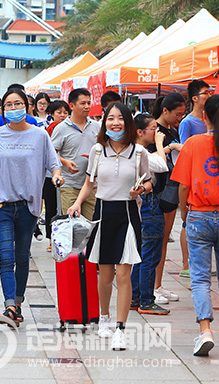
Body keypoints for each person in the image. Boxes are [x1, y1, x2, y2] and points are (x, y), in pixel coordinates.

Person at [67, 102, 152, 351]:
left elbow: (148, 183)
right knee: (105, 275)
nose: (115, 123)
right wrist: (78, 203)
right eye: (110, 118)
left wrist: (140, 190)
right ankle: (103, 317)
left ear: (128, 122)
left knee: (124, 274)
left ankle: (120, 328)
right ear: (104, 123)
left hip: (127, 214)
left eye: (120, 118)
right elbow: (89, 184)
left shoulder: (139, 153)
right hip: (103, 213)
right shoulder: (97, 150)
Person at [171, 94, 219, 356]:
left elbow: (183, 185)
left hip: (199, 215)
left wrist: (185, 214)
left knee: (201, 277)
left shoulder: (193, 143)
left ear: (204, 116)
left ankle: (205, 330)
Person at [0, 88, 63, 327]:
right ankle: (8, 306)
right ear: (3, 109)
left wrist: (58, 176)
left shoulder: (40, 136)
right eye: (9, 105)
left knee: (22, 257)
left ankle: (17, 304)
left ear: (27, 107)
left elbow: (53, 165)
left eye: (18, 104)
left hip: (28, 207)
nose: (14, 108)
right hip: (2, 206)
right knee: (6, 258)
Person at [130, 113, 170, 315]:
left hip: (143, 204)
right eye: (153, 128)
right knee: (150, 255)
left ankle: (136, 297)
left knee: (142, 254)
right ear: (139, 132)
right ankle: (146, 300)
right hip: (149, 204)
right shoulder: (140, 151)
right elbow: (162, 166)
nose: (157, 132)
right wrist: (160, 143)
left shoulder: (136, 150)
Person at [153, 93, 186, 304]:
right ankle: (151, 286)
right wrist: (169, 147)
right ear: (165, 110)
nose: (180, 118)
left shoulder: (173, 130)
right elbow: (151, 159)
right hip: (156, 191)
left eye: (182, 114)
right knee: (154, 241)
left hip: (171, 190)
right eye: (177, 114)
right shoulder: (153, 130)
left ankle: (157, 284)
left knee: (164, 240)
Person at [177, 81, 213, 277]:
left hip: (209, 177)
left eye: (210, 92)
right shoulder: (188, 123)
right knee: (187, 221)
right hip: (193, 176)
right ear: (195, 98)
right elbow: (185, 150)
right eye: (205, 92)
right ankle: (186, 263)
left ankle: (199, 263)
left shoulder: (210, 120)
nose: (209, 95)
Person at [51, 88, 101, 220]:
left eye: (89, 103)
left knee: (91, 226)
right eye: (83, 103)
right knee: (70, 225)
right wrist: (65, 162)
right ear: (72, 105)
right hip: (69, 185)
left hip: (92, 185)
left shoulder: (97, 127)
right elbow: (51, 154)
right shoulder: (61, 128)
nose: (87, 107)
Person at [42, 100, 71, 250]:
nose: (62, 115)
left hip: (66, 177)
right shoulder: (50, 130)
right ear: (52, 114)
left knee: (60, 209)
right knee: (52, 207)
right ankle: (50, 239)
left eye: (65, 112)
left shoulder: (68, 128)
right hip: (50, 175)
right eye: (59, 112)